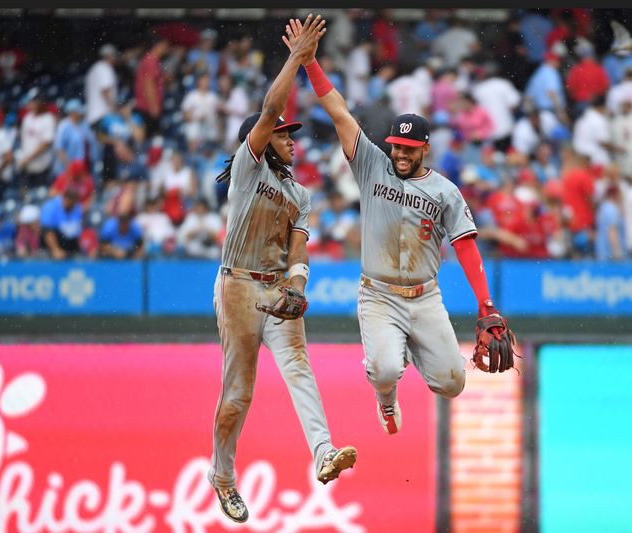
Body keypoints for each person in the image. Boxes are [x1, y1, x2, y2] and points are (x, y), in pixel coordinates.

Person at [284, 15, 516, 438]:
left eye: (409, 148)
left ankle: (406, 350)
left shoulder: (444, 191)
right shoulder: (372, 164)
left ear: (425, 148)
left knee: (452, 383)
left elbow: (465, 246)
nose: (401, 154)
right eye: (396, 146)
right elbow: (338, 111)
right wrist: (309, 64)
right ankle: (386, 395)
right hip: (379, 293)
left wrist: (486, 306)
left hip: (425, 296)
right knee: (386, 369)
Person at [208, 15, 356, 524]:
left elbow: (298, 248)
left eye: (291, 133)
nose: (291, 139)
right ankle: (222, 475)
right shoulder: (249, 168)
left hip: (275, 289)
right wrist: (297, 58)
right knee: (239, 394)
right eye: (284, 134)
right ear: (262, 138)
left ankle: (322, 453)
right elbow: (271, 109)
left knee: (299, 369)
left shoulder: (300, 193)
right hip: (238, 286)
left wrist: (297, 285)